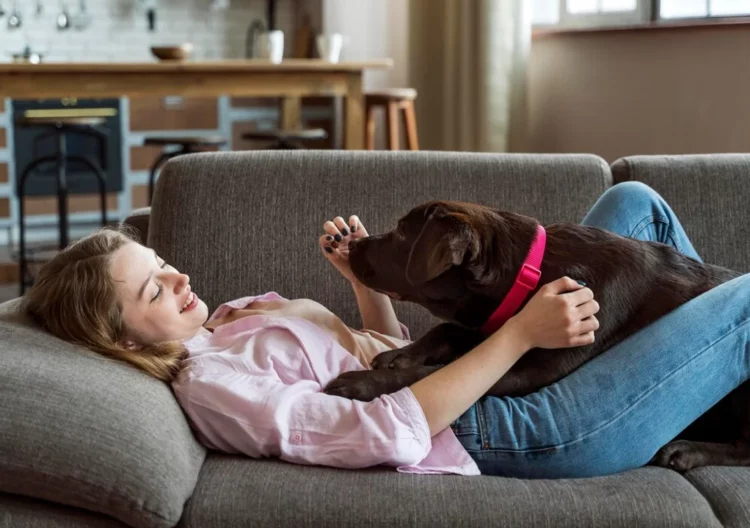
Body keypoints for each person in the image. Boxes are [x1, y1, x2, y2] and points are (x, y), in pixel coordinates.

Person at [23, 182, 750, 479]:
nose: (181, 279)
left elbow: (384, 355)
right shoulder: (213, 383)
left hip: (477, 371)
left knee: (636, 201)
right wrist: (524, 334)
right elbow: (384, 428)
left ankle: (717, 388)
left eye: (164, 263)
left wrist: (361, 284)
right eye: (155, 288)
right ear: (121, 342)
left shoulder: (229, 318)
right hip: (517, 425)